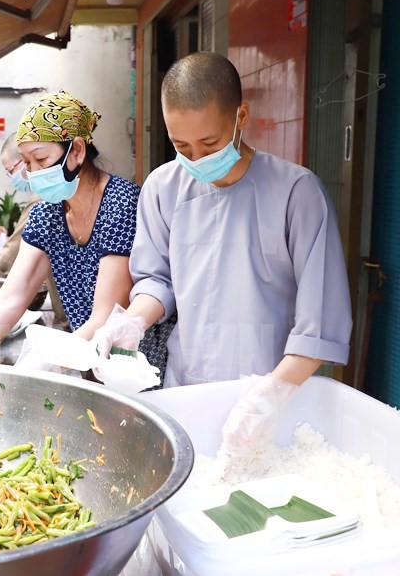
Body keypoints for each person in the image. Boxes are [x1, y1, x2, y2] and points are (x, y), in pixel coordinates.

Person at [91, 52, 352, 460]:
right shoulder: (163, 187)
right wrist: (135, 320)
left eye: (210, 143)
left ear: (241, 116)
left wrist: (270, 397)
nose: (196, 159)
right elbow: (158, 280)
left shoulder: (298, 194)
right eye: (182, 146)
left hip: (272, 399)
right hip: (186, 388)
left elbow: (320, 325)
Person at [0, 90, 170, 375]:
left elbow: (105, 315)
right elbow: (13, 295)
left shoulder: (120, 204)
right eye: (27, 162)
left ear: (77, 150)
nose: (34, 172)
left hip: (134, 365)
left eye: (41, 159)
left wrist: (49, 361)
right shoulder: (46, 213)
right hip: (83, 359)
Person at [0, 133, 67, 328]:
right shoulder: (44, 201)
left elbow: (14, 249)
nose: (32, 170)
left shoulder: (43, 198)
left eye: (40, 160)